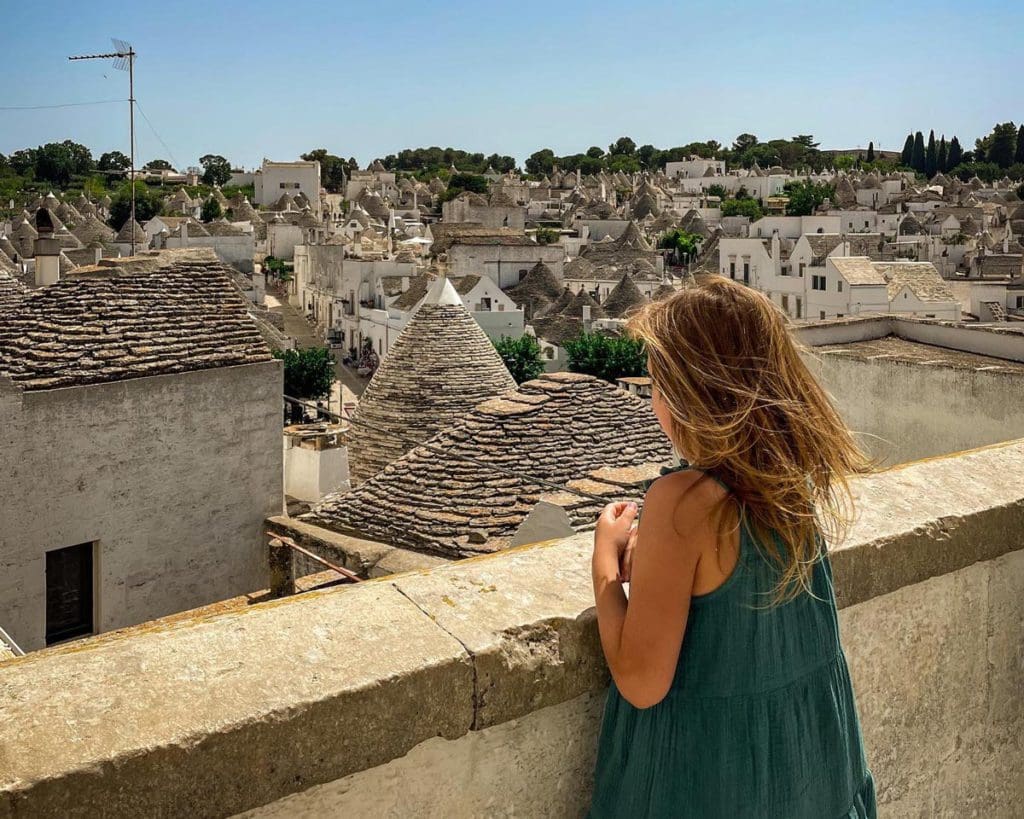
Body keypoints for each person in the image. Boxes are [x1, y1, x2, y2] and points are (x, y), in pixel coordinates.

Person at [589, 276, 876, 818]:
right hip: (809, 771)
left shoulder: (684, 503)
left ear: (689, 394)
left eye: (657, 384)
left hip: (707, 780)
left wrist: (607, 563)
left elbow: (642, 681)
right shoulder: (793, 482)